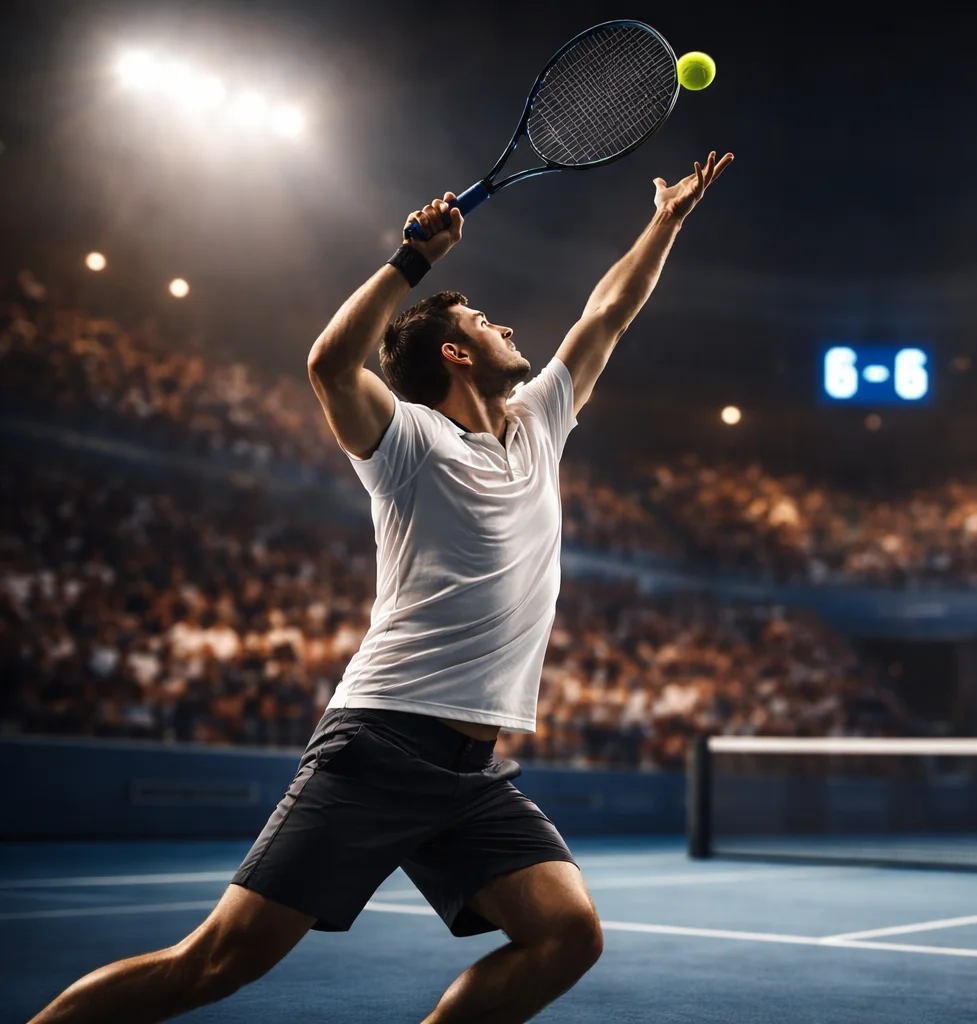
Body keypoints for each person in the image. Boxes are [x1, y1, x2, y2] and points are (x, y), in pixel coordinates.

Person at [29, 149, 733, 1024]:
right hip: (383, 743)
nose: (506, 325)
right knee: (213, 964)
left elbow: (609, 313)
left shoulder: (541, 424)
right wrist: (414, 264)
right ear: (454, 352)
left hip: (473, 770)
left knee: (566, 933)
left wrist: (663, 223)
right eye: (482, 318)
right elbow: (330, 364)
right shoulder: (407, 444)